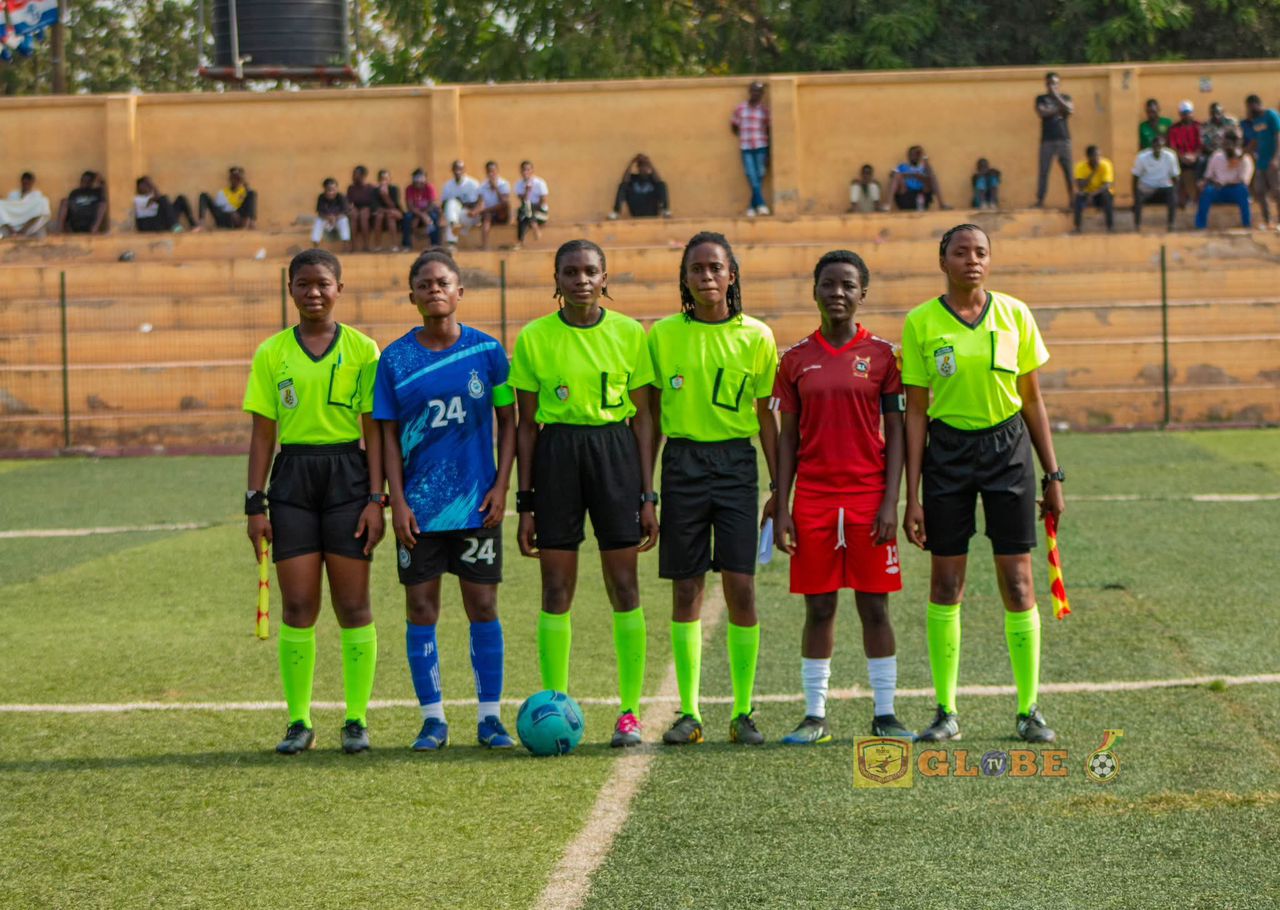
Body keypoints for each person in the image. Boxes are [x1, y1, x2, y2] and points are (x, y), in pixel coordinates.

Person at [900, 224, 1065, 746]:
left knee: (1018, 583)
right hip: (946, 455)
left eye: (981, 252)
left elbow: (1033, 399)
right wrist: (913, 494)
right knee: (946, 584)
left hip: (1008, 451)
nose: (972, 260)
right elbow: (916, 414)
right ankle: (946, 710)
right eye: (961, 252)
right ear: (942, 260)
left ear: (990, 261)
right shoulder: (921, 322)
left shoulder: (1016, 314)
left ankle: (1028, 709)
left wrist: (1052, 473)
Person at [510, 239, 659, 748]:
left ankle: (630, 712)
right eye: (570, 272)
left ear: (604, 277)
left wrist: (646, 494)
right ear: (556, 279)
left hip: (614, 454)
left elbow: (644, 420)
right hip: (557, 458)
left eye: (589, 271)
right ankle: (555, 700)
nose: (580, 280)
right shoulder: (533, 338)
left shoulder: (629, 334)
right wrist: (525, 502)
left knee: (624, 586)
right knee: (556, 588)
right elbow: (526, 426)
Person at [242, 249, 385, 755]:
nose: (314, 292)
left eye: (323, 283)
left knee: (352, 604)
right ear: (291, 291)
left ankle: (356, 720)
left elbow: (374, 429)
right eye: (304, 284)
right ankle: (299, 722)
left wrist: (377, 498)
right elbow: (263, 434)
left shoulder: (366, 350)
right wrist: (254, 504)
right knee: (299, 604)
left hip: (349, 477)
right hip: (293, 482)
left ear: (339, 289)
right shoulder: (271, 353)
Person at [374, 250, 517, 751]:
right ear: (412, 296)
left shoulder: (488, 352)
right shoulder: (394, 360)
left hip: (477, 505)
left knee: (482, 603)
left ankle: (490, 718)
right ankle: (433, 720)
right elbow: (387, 436)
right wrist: (397, 502)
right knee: (421, 606)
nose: (434, 290)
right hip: (420, 508)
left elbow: (509, 422)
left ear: (459, 292)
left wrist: (501, 486)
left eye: (443, 282)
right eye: (424, 284)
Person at [772, 250, 912, 745]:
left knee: (875, 608)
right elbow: (787, 436)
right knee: (820, 608)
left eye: (848, 285)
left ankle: (886, 713)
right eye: (828, 284)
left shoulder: (882, 356)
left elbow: (896, 432)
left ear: (862, 294)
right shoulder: (794, 359)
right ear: (814, 290)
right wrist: (782, 503)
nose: (837, 293)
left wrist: (890, 500)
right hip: (811, 498)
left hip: (868, 496)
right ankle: (814, 716)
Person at [647, 231, 778, 747]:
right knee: (687, 587)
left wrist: (778, 487)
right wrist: (646, 490)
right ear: (685, 278)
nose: (706, 277)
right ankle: (690, 712)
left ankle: (743, 711)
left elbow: (769, 419)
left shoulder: (757, 337)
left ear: (732, 275)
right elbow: (651, 419)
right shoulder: (662, 336)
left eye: (715, 268)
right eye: (696, 269)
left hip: (736, 466)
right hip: (681, 465)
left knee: (741, 587)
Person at [1196, 129, 1254, 229]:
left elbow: (1244, 181)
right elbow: (1208, 176)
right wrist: (1203, 183)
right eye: (1226, 141)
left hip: (1235, 189)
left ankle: (1246, 224)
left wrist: (1235, 163)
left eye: (1231, 142)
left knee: (1243, 191)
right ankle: (1200, 226)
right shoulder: (1216, 156)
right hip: (1218, 189)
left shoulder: (1245, 159)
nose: (1228, 144)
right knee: (1207, 191)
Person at [731, 80, 771, 217]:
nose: (757, 94)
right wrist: (743, 134)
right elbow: (734, 125)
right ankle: (761, 204)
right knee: (751, 175)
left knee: (759, 174)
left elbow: (768, 129)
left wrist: (769, 152)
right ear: (750, 91)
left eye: (759, 92)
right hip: (746, 147)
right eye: (754, 91)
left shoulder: (764, 110)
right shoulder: (741, 108)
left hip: (761, 146)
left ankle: (752, 206)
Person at [1035, 72, 1075, 208]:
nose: (1052, 85)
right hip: (1047, 140)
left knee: (1068, 171)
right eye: (1050, 83)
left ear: (1059, 84)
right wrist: (1058, 110)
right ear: (1046, 84)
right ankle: (1040, 200)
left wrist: (1056, 98)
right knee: (1044, 171)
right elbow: (1042, 112)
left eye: (1055, 83)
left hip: (1064, 139)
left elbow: (1069, 110)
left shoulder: (1065, 97)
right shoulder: (1041, 99)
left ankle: (1072, 199)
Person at [1243, 94, 1280, 229]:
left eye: (1248, 107)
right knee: (1260, 191)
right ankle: (1267, 220)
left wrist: (1276, 158)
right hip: (1261, 162)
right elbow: (1255, 140)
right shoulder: (1256, 120)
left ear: (1255, 104)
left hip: (1274, 160)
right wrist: (1243, 152)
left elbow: (1278, 136)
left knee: (1277, 191)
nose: (1248, 110)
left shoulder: (1271, 115)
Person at [1131, 134, 1180, 231]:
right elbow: (1135, 176)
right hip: (1147, 188)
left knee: (1172, 195)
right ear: (1152, 146)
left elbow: (1175, 177)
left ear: (1164, 146)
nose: (1158, 149)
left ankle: (1171, 224)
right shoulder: (1142, 157)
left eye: (1160, 146)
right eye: (1156, 146)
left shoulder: (1170, 156)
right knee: (1139, 196)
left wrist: (1176, 192)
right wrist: (1134, 194)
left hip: (1164, 187)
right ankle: (1137, 225)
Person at [609, 154, 670, 219]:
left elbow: (659, 181)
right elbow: (624, 181)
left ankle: (665, 210)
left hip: (651, 210)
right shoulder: (633, 178)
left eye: (646, 166)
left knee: (662, 184)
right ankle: (616, 212)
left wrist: (649, 163)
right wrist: (631, 162)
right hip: (637, 210)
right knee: (623, 185)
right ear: (638, 168)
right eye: (642, 166)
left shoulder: (652, 178)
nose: (644, 168)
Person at [1167, 101, 1203, 208]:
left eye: (1188, 112)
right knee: (1173, 164)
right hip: (1180, 157)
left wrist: (1195, 156)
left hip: (1195, 157)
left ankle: (1198, 197)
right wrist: (1182, 157)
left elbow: (1201, 145)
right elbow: (1173, 147)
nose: (1187, 115)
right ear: (1180, 114)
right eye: (1184, 113)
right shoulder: (1174, 128)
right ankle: (1180, 198)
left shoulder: (1198, 126)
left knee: (1202, 162)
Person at [1073, 145, 1115, 232]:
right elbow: (1080, 186)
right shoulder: (1080, 166)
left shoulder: (1106, 164)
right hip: (1087, 193)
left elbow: (1107, 185)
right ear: (1088, 157)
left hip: (1100, 194)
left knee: (1106, 195)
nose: (1098, 158)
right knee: (1078, 197)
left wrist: (1093, 195)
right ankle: (1077, 227)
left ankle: (1110, 227)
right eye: (1095, 156)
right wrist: (1093, 172)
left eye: (1099, 155)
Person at [889, 146, 945, 211]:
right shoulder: (903, 166)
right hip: (905, 195)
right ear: (908, 156)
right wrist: (913, 175)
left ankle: (942, 204)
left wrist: (925, 159)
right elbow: (892, 175)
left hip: (922, 195)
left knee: (932, 177)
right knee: (897, 175)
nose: (914, 157)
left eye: (917, 154)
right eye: (912, 154)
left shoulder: (924, 167)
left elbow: (931, 176)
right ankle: (888, 205)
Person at [440, 160, 481, 246]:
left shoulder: (473, 184)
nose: (458, 171)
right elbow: (443, 205)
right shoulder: (448, 185)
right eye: (455, 169)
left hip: (469, 215)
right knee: (451, 204)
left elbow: (475, 203)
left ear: (464, 170)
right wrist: (454, 202)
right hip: (456, 215)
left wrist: (460, 202)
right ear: (452, 170)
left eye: (460, 169)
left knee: (452, 214)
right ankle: (452, 242)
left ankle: (453, 227)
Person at [0, 172, 52, 238]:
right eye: (24, 183)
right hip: (13, 222)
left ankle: (22, 231)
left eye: (28, 183)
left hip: (28, 224)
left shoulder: (36, 194)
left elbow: (36, 210)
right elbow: (9, 209)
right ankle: (12, 231)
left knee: (43, 201)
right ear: (21, 182)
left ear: (32, 183)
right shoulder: (13, 194)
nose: (26, 185)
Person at [474, 160, 511, 250]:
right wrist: (475, 211)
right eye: (489, 172)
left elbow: (504, 202)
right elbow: (481, 203)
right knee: (487, 216)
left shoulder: (504, 184)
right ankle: (485, 245)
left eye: (493, 171)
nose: (491, 174)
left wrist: (496, 188)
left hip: (501, 214)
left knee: (505, 205)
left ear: (497, 171)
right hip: (489, 214)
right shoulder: (482, 186)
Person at [401, 168, 440, 251]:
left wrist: (423, 216)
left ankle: (435, 244)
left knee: (434, 217)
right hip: (415, 212)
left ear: (425, 179)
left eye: (421, 178)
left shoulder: (429, 187)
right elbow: (410, 206)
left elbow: (431, 204)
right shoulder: (409, 188)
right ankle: (407, 245)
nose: (418, 181)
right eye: (416, 178)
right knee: (407, 218)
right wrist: (421, 216)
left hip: (428, 211)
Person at [514, 160, 549, 246]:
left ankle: (520, 240)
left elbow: (543, 202)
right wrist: (527, 191)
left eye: (528, 169)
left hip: (541, 214)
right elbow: (524, 201)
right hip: (528, 213)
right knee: (523, 214)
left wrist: (530, 208)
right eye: (524, 170)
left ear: (532, 170)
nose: (526, 172)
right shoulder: (518, 184)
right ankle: (533, 228)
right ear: (521, 171)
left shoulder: (540, 183)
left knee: (524, 212)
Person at [311, 178, 352, 250]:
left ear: (336, 189)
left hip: (337, 220)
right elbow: (320, 212)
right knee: (318, 221)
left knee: (344, 220)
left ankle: (346, 246)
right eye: (329, 190)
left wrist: (335, 218)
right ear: (324, 189)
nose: (331, 192)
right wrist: (328, 218)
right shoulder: (321, 197)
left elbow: (345, 212)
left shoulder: (341, 197)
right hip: (326, 220)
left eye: (333, 189)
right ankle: (315, 246)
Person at [346, 165, 377, 253]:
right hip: (356, 210)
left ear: (363, 176)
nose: (353, 176)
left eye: (355, 174)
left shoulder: (371, 188)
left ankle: (366, 246)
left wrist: (368, 209)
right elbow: (349, 202)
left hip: (368, 212)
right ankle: (353, 246)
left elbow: (374, 204)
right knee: (353, 215)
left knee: (363, 216)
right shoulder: (351, 188)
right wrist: (352, 208)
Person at [372, 169, 403, 252]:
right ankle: (377, 245)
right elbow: (376, 208)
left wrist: (385, 196)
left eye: (386, 178)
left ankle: (394, 245)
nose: (384, 181)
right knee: (379, 216)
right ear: (379, 180)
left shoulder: (394, 189)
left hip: (395, 214)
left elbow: (394, 206)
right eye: (382, 179)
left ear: (389, 179)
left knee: (390, 217)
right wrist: (387, 211)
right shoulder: (375, 191)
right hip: (382, 214)